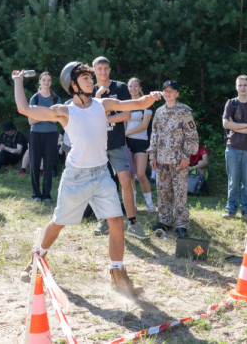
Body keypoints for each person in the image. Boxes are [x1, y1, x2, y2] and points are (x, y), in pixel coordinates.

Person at [15, 61, 162, 296]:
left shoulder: (102, 104)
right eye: (85, 78)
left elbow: (136, 103)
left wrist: (152, 97)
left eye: (90, 78)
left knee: (116, 221)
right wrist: (18, 81)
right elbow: (24, 109)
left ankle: (117, 275)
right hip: (76, 176)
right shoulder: (64, 111)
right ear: (73, 85)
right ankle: (36, 260)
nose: (91, 81)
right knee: (58, 223)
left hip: (101, 172)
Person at [91, 57, 147, 240]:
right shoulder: (88, 89)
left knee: (125, 180)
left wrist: (104, 119)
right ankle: (103, 221)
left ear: (110, 69)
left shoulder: (121, 87)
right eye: (99, 69)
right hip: (96, 145)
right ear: (94, 71)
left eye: (106, 69)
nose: (103, 72)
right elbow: (85, 116)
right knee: (96, 183)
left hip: (117, 143)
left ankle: (132, 223)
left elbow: (127, 113)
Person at [147, 80, 199, 238]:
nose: (168, 93)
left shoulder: (184, 111)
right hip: (162, 159)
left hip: (178, 160)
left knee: (180, 193)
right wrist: (152, 155)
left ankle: (182, 224)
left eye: (171, 91)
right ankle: (165, 221)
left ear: (177, 93)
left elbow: (192, 135)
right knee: (163, 192)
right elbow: (154, 135)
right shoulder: (159, 112)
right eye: (165, 90)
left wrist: (186, 155)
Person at [222, 75, 247, 222]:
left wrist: (236, 127)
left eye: (245, 85)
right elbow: (225, 124)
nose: (242, 88)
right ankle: (231, 209)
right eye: (240, 85)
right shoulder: (231, 103)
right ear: (236, 87)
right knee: (233, 181)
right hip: (233, 147)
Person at [27, 71, 62, 203]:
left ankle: (46, 194)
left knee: (48, 165)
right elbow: (31, 121)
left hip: (51, 135)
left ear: (51, 82)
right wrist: (48, 114)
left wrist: (39, 115)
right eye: (44, 80)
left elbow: (56, 120)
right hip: (36, 135)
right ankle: (36, 194)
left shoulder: (56, 99)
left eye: (49, 80)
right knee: (35, 165)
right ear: (40, 82)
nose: (46, 82)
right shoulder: (34, 99)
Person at [125, 77, 156, 212]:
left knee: (141, 174)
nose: (133, 89)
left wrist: (125, 134)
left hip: (141, 143)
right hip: (127, 142)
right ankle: (134, 204)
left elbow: (144, 126)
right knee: (131, 175)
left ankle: (149, 203)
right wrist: (124, 139)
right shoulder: (124, 104)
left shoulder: (146, 104)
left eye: (135, 86)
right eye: (130, 86)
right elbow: (123, 124)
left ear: (140, 88)